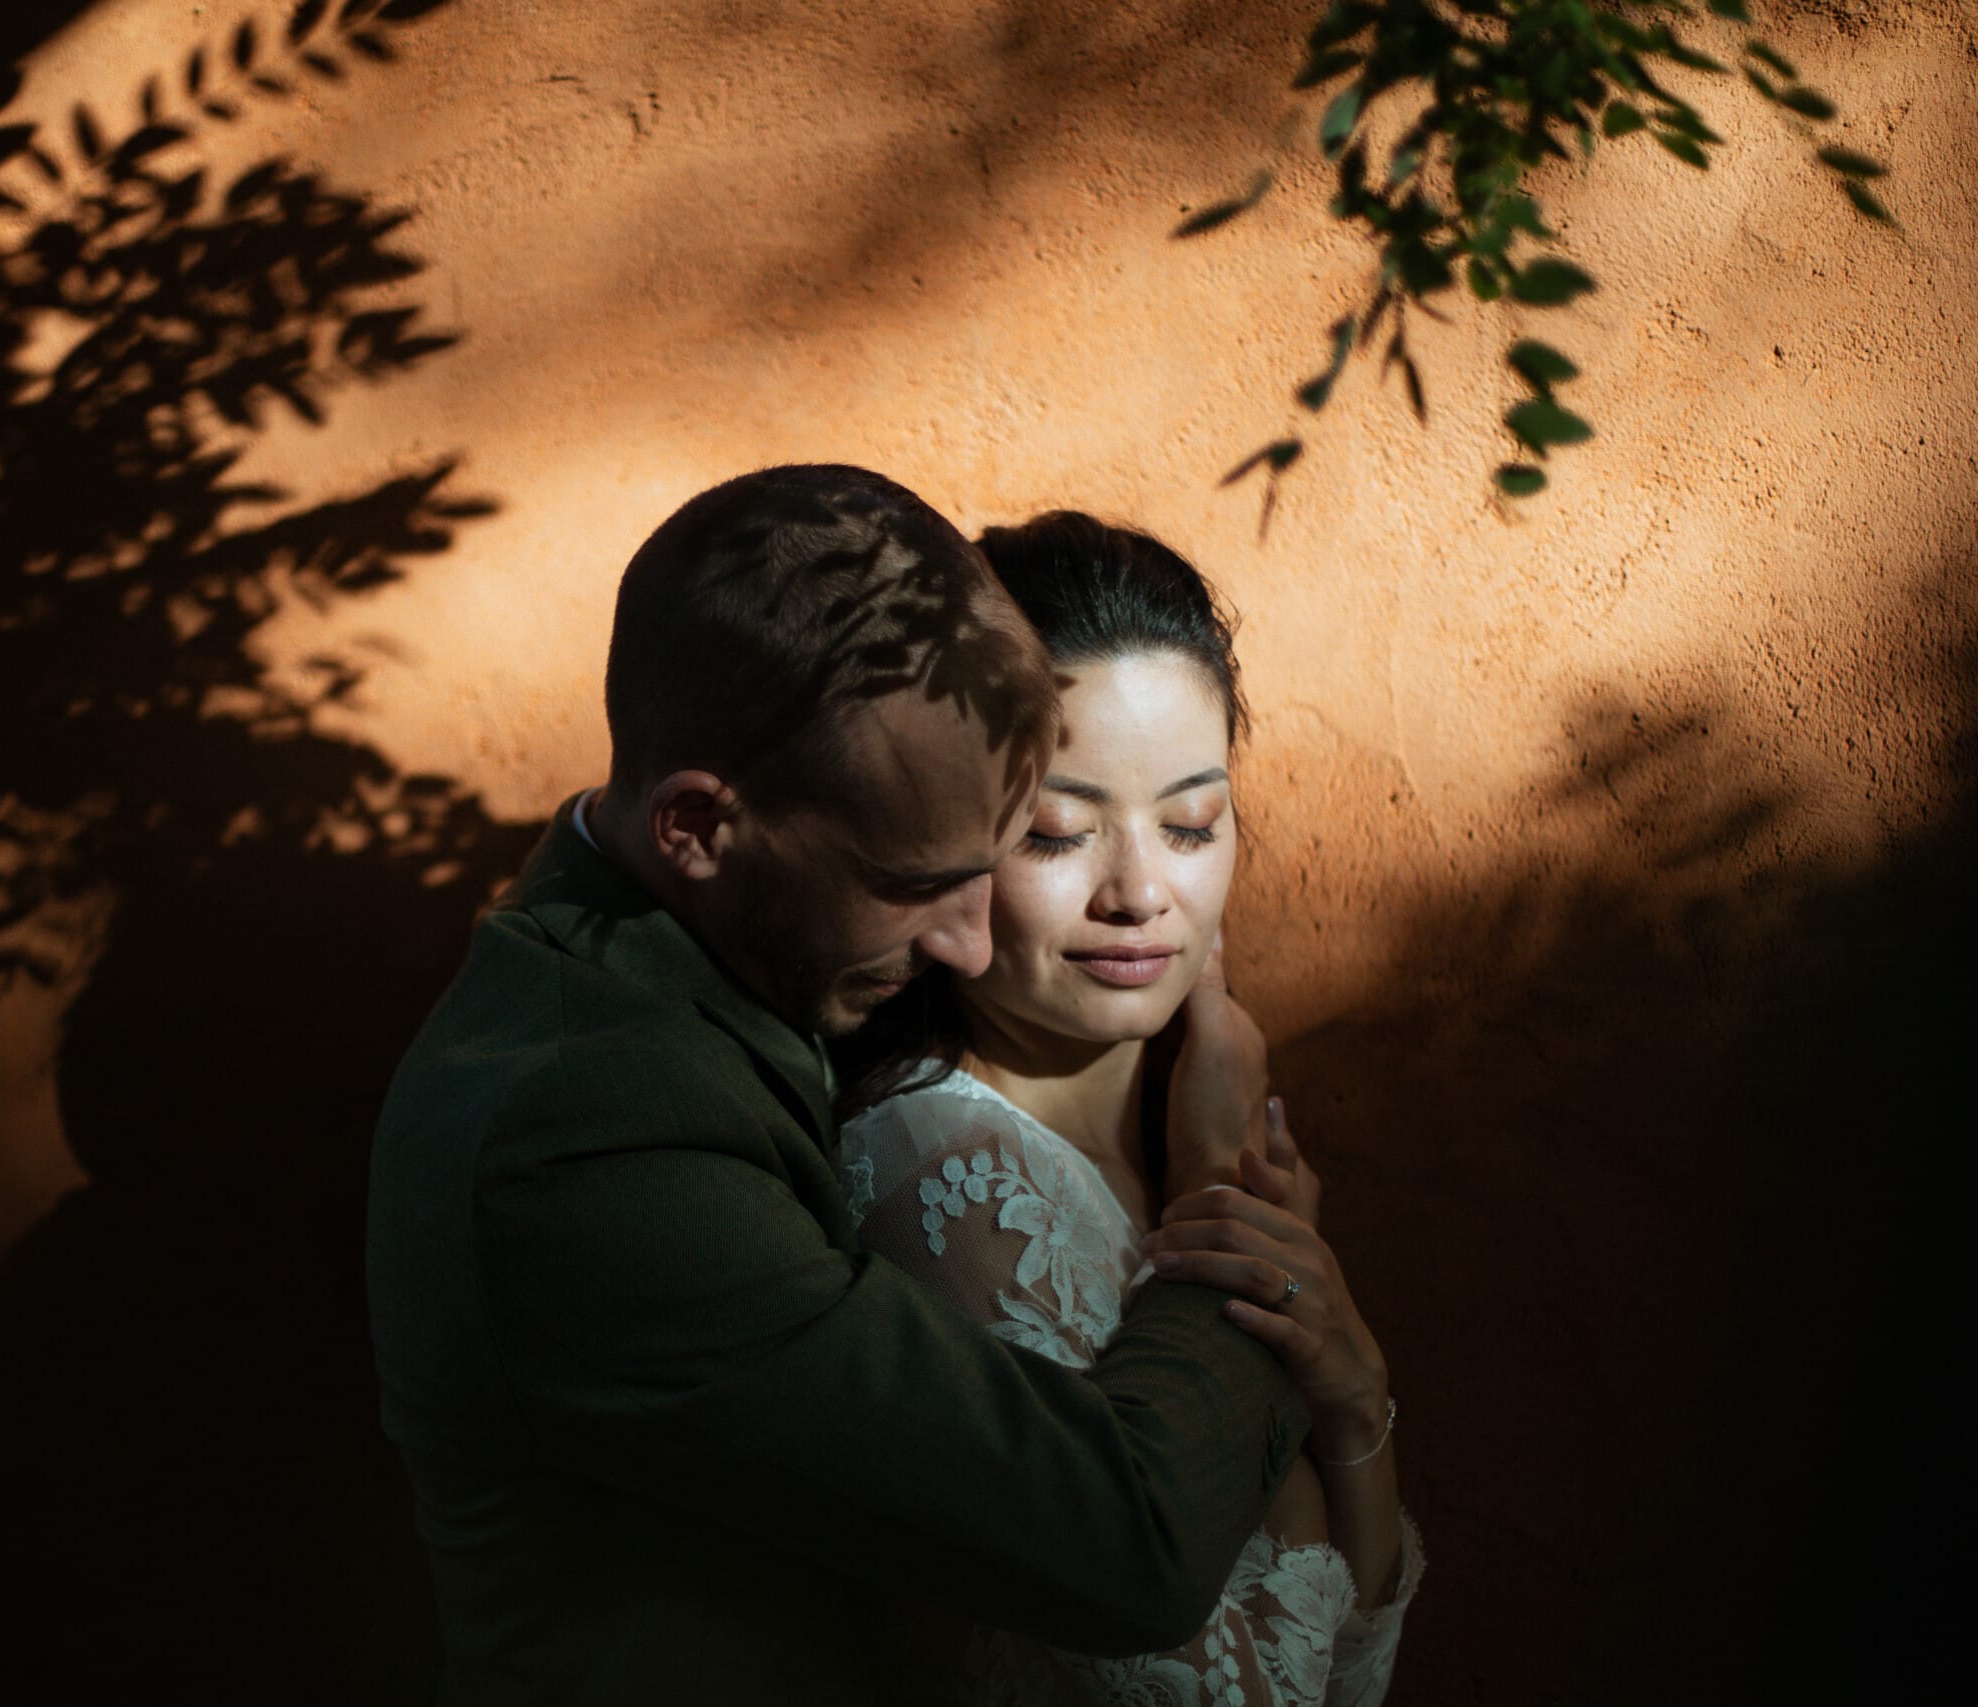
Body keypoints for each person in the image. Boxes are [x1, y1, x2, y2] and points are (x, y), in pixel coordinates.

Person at [366, 467, 1316, 1705]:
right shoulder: (584, 1137)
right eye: (917, 883)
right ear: (699, 826)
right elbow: (1122, 1550)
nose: (969, 946)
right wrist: (1218, 1194)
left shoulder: (691, 980)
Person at [833, 511, 1422, 1706]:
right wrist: (1213, 1179)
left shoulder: (1183, 1138)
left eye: (1193, 823)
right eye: (1057, 831)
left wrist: (1355, 1399)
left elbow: (1353, 1681)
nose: (1142, 891)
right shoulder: (937, 1183)